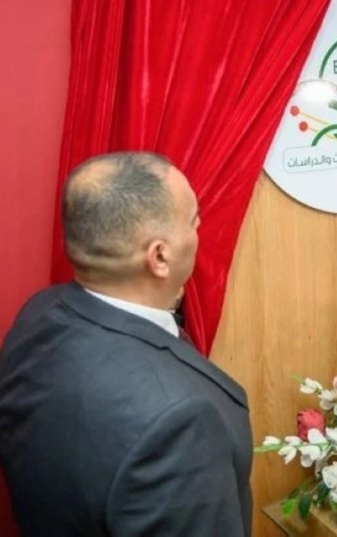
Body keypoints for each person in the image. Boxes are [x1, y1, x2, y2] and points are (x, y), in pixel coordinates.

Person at [0, 152, 253, 536]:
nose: (199, 226)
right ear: (160, 256)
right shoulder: (180, 423)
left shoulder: (38, 314)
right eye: (192, 220)